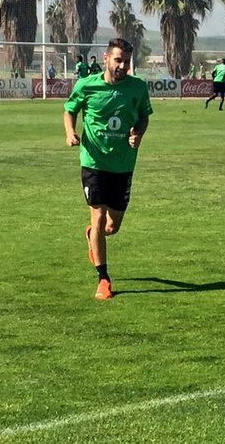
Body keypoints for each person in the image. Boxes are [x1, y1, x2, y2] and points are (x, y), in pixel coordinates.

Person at [63, 38, 152, 300]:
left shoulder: (137, 87)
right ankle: (103, 278)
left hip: (123, 165)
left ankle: (92, 236)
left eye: (126, 61)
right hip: (94, 162)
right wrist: (70, 132)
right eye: (118, 60)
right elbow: (69, 110)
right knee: (99, 217)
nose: (122, 65)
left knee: (112, 226)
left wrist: (138, 133)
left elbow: (143, 116)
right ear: (106, 59)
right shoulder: (87, 85)